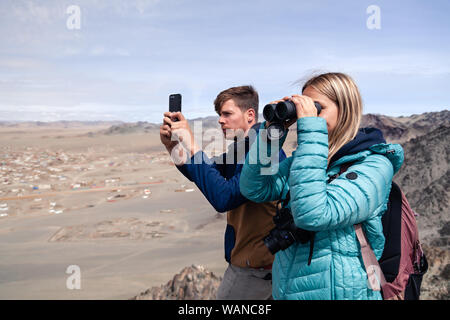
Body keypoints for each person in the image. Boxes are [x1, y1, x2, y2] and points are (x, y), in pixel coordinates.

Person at [239, 72, 404, 300]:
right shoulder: (307, 159)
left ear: (345, 109)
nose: (306, 115)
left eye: (317, 108)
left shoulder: (374, 165)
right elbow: (255, 187)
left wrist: (311, 130)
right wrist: (271, 135)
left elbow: (314, 214)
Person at [160, 85, 286, 299]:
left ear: (250, 115)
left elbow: (223, 197)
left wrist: (192, 143)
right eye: (219, 115)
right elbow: (206, 172)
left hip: (253, 273)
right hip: (255, 269)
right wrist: (173, 147)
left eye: (227, 114)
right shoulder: (246, 147)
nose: (220, 120)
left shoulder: (263, 153)